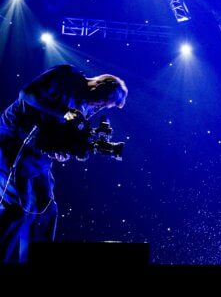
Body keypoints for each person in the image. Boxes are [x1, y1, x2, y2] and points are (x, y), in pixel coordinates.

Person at [0, 64, 127, 262]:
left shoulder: (84, 109)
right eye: (104, 101)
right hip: (12, 143)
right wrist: (63, 113)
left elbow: (60, 142)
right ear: (99, 86)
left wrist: (65, 152)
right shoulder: (68, 76)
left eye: (106, 105)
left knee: (47, 212)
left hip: (36, 156)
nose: (101, 106)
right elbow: (27, 93)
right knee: (17, 209)